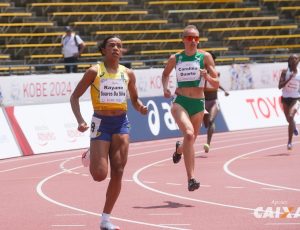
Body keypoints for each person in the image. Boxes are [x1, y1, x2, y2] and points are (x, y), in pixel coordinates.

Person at [70, 35, 148, 230]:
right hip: (101, 123)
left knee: (119, 172)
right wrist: (80, 120)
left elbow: (135, 100)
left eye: (119, 46)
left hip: (121, 122)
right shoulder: (94, 71)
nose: (116, 48)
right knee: (99, 175)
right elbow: (74, 97)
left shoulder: (128, 73)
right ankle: (91, 153)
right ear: (103, 50)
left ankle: (105, 219)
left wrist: (141, 108)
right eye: (111, 45)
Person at [162, 25, 219, 191]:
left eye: (196, 38)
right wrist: (165, 88)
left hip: (198, 103)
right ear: (183, 40)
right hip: (181, 101)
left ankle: (179, 149)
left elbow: (216, 83)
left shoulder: (205, 57)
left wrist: (207, 76)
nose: (193, 41)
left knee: (190, 140)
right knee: (188, 134)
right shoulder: (176, 58)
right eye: (189, 38)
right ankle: (191, 179)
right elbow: (165, 74)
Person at [202, 51, 229, 153]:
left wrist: (224, 90)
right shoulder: (201, 72)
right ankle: (211, 126)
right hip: (203, 101)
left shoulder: (216, 73)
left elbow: (217, 83)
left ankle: (208, 143)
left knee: (210, 121)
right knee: (205, 124)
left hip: (213, 101)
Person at [278, 54, 300, 150]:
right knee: (289, 120)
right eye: (292, 59)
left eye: (296, 58)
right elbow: (279, 86)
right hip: (285, 98)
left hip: (296, 98)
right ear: (289, 62)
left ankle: (289, 142)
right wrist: (289, 79)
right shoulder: (284, 72)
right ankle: (293, 126)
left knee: (291, 116)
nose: (294, 60)